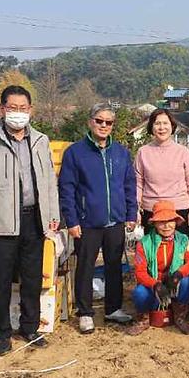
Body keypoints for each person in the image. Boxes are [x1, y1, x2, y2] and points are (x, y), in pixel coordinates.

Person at [0, 85, 60, 355]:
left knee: (32, 278)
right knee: (1, 281)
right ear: (2, 109)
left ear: (31, 110)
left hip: (34, 219)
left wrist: (53, 214)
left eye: (23, 108)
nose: (18, 113)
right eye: (13, 108)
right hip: (2, 222)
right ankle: (2, 333)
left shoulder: (41, 140)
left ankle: (30, 327)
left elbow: (49, 181)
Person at [58, 103, 137, 334]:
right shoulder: (75, 153)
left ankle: (113, 308)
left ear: (113, 125)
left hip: (115, 220)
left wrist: (131, 213)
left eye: (108, 122)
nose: (103, 125)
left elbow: (129, 185)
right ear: (90, 122)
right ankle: (85, 312)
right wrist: (72, 220)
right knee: (86, 266)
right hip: (87, 221)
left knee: (114, 265)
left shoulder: (121, 153)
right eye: (99, 121)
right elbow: (67, 189)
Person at [126, 201, 189, 336]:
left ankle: (180, 316)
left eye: (170, 221)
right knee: (140, 292)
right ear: (154, 224)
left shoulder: (183, 240)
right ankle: (144, 319)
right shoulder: (144, 243)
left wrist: (178, 275)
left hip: (173, 283)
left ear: (176, 222)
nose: (166, 226)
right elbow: (140, 272)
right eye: (161, 222)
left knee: (187, 282)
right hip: (154, 285)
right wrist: (156, 285)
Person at [134, 108, 189, 239]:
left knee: (180, 249)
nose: (162, 127)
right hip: (152, 211)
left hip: (179, 211)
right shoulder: (143, 152)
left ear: (172, 126)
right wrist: (136, 210)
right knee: (152, 249)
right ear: (151, 127)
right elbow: (138, 184)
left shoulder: (183, 152)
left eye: (165, 123)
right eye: (157, 123)